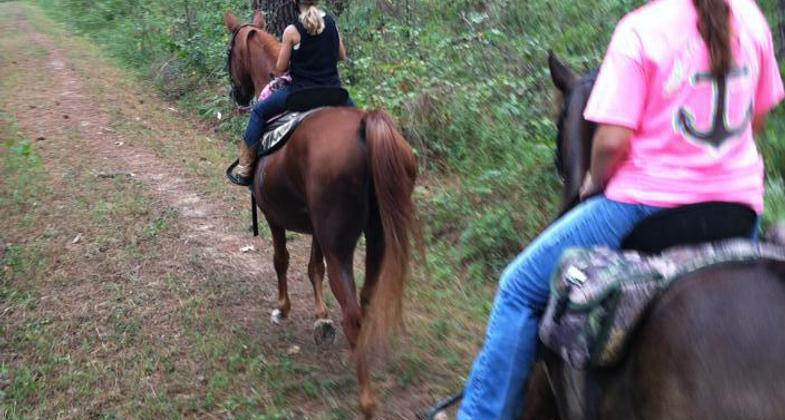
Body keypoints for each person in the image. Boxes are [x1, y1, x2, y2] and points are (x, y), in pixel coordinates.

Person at [458, 0, 784, 418]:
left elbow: (611, 143)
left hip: (648, 207)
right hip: (738, 211)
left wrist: (596, 179)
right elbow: (755, 118)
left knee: (517, 288)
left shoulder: (641, 29)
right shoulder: (752, 18)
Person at [233, 0, 353, 186]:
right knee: (361, 120)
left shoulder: (292, 31)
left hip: (300, 95)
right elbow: (342, 56)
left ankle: (245, 168)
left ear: (296, 3)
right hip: (334, 92)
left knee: (258, 112)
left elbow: (280, 68)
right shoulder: (332, 24)